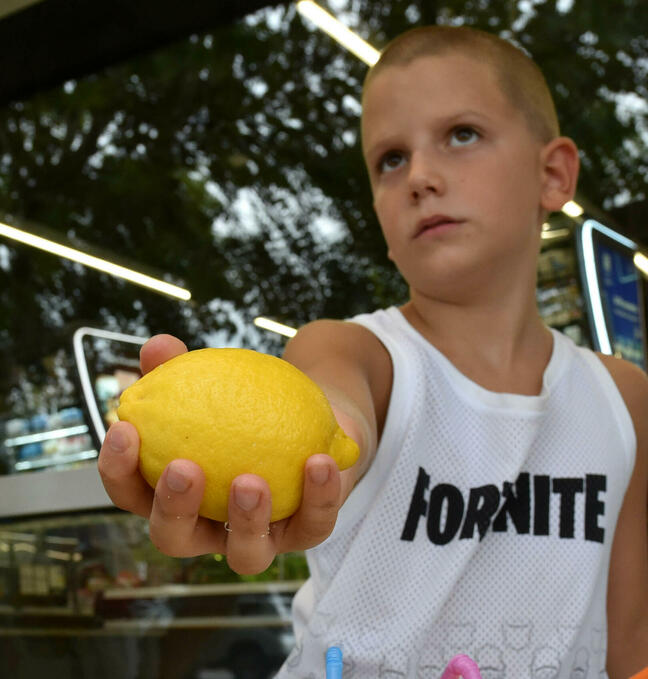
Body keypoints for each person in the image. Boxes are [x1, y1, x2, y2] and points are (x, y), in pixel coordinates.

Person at [98, 25, 648, 677]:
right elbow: (332, 420)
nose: (419, 175)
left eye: (462, 134)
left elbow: (629, 645)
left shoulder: (624, 399)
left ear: (552, 172)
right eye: (390, 159)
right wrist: (310, 473)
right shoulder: (359, 351)